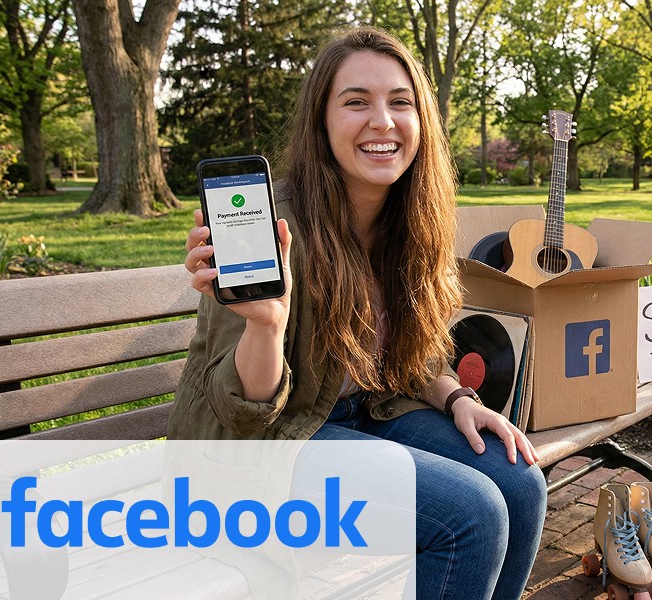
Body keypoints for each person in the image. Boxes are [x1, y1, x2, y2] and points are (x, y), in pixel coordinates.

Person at [169, 26, 547, 600]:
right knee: (470, 513)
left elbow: (404, 354)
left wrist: (457, 398)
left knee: (519, 482)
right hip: (261, 449)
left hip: (362, 412)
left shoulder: (410, 219)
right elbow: (244, 413)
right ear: (321, 122)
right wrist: (267, 323)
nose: (383, 121)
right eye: (356, 102)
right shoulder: (271, 227)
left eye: (400, 102)